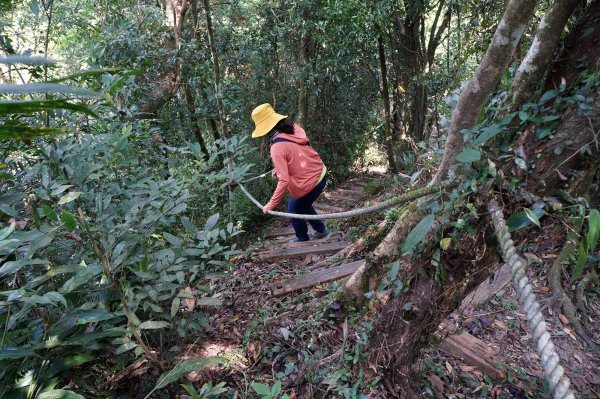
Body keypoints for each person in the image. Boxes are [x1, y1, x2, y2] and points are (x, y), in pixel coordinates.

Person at [251, 103, 330, 242]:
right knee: (302, 205)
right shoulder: (294, 128)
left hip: (310, 182)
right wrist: (280, 168)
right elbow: (298, 153)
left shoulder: (276, 148)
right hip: (320, 172)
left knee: (294, 211)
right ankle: (321, 230)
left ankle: (302, 239)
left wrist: (270, 204)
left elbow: (284, 180)